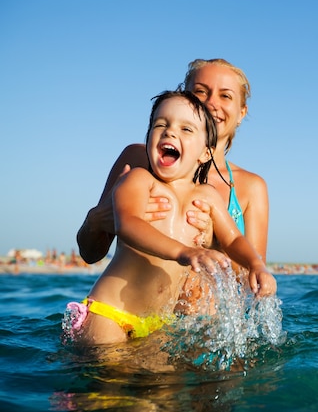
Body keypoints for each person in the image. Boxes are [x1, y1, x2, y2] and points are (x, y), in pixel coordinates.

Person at [67, 90, 276, 345]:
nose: (170, 132)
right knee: (108, 378)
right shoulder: (139, 180)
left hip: (156, 323)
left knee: (164, 384)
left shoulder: (207, 197)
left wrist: (256, 265)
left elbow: (233, 239)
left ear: (205, 154)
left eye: (186, 129)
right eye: (160, 125)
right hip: (110, 313)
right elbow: (128, 223)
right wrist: (184, 252)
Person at [76, 59, 268, 268]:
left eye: (225, 96)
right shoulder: (138, 160)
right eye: (201, 91)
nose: (212, 102)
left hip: (208, 302)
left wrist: (213, 240)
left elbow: (254, 286)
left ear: (241, 113)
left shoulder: (251, 187)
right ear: (184, 96)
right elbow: (90, 255)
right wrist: (95, 220)